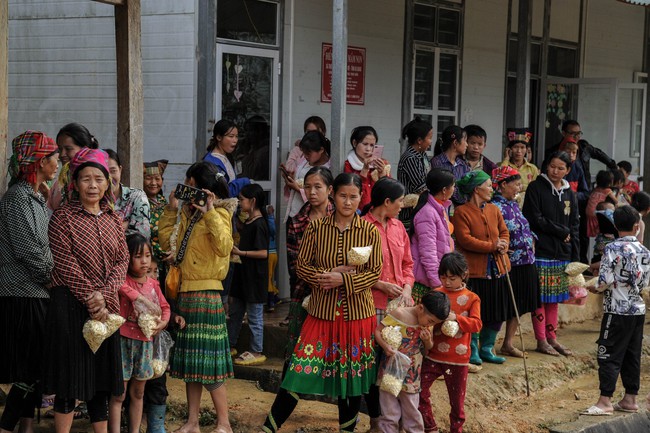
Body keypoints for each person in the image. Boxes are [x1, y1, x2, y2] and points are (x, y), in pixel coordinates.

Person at [259, 173, 383, 433]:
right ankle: (268, 428)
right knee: (297, 370)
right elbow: (301, 267)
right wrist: (326, 277)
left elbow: (374, 272)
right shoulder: (316, 229)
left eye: (354, 197)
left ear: (361, 198)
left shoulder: (370, 230)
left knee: (349, 379)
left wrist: (342, 281)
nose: (348, 202)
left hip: (357, 315)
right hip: (321, 312)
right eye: (342, 196)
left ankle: (346, 430)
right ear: (333, 195)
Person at [44, 147, 129, 433]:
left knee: (102, 380)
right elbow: (64, 262)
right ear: (75, 183)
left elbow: (123, 259)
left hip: (105, 309)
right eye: (85, 179)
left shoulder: (113, 219)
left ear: (108, 182)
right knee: (69, 381)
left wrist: (104, 296)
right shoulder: (63, 218)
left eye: (99, 179)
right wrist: (92, 297)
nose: (93, 185)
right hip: (69, 305)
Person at [158, 161, 236, 433]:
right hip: (186, 293)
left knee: (209, 365)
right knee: (192, 364)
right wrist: (171, 209)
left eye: (191, 186)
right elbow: (166, 242)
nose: (189, 192)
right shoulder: (187, 216)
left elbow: (225, 246)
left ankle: (224, 423)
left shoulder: (221, 214)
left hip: (207, 295)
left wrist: (211, 211)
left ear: (206, 190)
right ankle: (192, 422)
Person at [0, 131, 59, 433]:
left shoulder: (36, 196)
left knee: (35, 367)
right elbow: (29, 249)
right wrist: (53, 279)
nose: (58, 162)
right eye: (53, 157)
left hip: (37, 292)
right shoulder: (18, 199)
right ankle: (7, 426)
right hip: (23, 293)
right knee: (30, 368)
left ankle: (23, 426)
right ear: (39, 162)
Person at [581, 206, 650, 416]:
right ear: (636, 227)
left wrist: (594, 286)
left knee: (608, 353)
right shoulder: (645, 251)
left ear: (615, 226)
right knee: (632, 354)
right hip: (637, 311)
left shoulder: (612, 248)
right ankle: (630, 398)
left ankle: (605, 401)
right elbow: (645, 282)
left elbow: (604, 281)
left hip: (617, 311)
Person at [361, 177, 415, 431]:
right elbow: (355, 269)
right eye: (400, 201)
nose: (402, 206)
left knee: (398, 363)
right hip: (371, 304)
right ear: (386, 202)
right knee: (373, 365)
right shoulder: (361, 228)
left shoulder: (398, 228)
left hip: (401, 308)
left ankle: (398, 421)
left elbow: (408, 264)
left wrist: (406, 287)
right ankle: (376, 420)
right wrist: (380, 284)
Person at [108, 234, 171, 433]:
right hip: (123, 341)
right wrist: (141, 299)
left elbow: (165, 307)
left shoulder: (153, 284)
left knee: (138, 392)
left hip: (145, 344)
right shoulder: (122, 281)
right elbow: (122, 288)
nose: (144, 261)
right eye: (138, 256)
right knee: (119, 394)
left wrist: (163, 322)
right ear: (127, 258)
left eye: (147, 255)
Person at [522, 151, 579, 357]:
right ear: (546, 166)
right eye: (552, 166)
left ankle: (552, 338)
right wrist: (560, 231)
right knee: (540, 298)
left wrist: (576, 258)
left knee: (553, 300)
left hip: (561, 254)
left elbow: (574, 225)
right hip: (541, 251)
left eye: (560, 168)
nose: (555, 171)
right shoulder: (536, 188)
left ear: (568, 170)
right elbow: (534, 218)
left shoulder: (569, 193)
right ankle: (541, 340)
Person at [451, 170, 510, 366]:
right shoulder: (461, 212)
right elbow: (465, 240)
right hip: (476, 270)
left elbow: (504, 231)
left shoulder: (494, 209)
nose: (491, 189)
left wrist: (503, 243)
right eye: (487, 186)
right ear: (477, 189)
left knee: (496, 310)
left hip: (497, 268)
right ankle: (473, 348)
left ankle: (487, 347)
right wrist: (493, 246)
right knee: (475, 310)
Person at [419, 252, 482, 433]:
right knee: (420, 391)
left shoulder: (471, 298)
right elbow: (423, 318)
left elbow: (477, 324)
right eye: (443, 277)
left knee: (457, 402)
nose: (446, 282)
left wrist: (456, 318)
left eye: (451, 278)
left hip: (458, 358)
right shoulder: (435, 294)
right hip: (433, 355)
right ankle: (430, 427)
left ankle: (456, 429)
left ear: (464, 275)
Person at [374, 292, 449, 433]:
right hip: (391, 371)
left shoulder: (427, 325)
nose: (430, 324)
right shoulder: (399, 314)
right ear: (421, 308)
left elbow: (429, 348)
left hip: (412, 373)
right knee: (389, 410)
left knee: (411, 410)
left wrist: (427, 341)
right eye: (431, 321)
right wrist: (385, 346)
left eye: (434, 323)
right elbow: (378, 331)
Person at [283, 166, 335, 356]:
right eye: (307, 187)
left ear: (330, 190)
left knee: (332, 352)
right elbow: (295, 266)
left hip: (338, 297)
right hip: (304, 294)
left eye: (317, 187)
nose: (312, 192)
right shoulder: (297, 223)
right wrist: (329, 274)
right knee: (301, 352)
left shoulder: (344, 218)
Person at [490, 166, 540, 358]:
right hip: (510, 263)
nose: (519, 188)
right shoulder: (495, 207)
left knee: (521, 304)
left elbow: (522, 227)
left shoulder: (514, 204)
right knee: (506, 303)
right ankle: (490, 344)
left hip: (527, 260)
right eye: (516, 184)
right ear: (503, 185)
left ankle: (508, 343)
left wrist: (532, 238)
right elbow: (495, 234)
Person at [228, 184, 270, 366]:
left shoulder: (260, 223)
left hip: (254, 277)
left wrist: (241, 253)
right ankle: (230, 344)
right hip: (243, 275)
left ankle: (256, 349)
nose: (239, 202)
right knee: (236, 311)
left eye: (242, 199)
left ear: (252, 201)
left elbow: (263, 253)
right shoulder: (248, 221)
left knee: (254, 315)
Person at [410, 168, 456, 304]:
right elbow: (428, 252)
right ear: (444, 190)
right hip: (427, 282)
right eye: (453, 186)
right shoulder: (428, 213)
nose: (454, 189)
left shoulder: (438, 208)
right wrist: (437, 283)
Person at [281, 130, 331, 223]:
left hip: (312, 218)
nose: (305, 156)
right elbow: (298, 180)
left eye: (308, 153)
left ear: (321, 150)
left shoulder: (328, 169)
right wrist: (290, 177)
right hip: (294, 212)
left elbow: (324, 196)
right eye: (303, 153)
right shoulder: (305, 161)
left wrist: (298, 189)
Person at [546, 120, 617, 184]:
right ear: (564, 133)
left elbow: (600, 154)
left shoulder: (584, 147)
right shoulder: (554, 151)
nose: (577, 137)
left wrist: (614, 166)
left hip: (582, 191)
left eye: (579, 133)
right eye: (573, 133)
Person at [48, 122, 100, 210]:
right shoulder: (59, 185)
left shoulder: (97, 183)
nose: (62, 154)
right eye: (60, 149)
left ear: (85, 149)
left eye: (68, 149)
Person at [105, 149, 151, 239]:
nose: (109, 177)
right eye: (104, 173)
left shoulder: (136, 196)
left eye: (113, 171)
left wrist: (108, 232)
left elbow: (141, 237)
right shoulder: (93, 201)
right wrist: (122, 227)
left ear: (120, 170)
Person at [397, 117, 433, 229]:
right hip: (410, 213)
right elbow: (420, 187)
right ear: (419, 140)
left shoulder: (422, 155)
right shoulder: (410, 158)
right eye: (430, 138)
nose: (431, 141)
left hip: (422, 208)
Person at [204, 119, 251, 198]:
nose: (235, 140)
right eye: (231, 136)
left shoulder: (228, 157)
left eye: (236, 136)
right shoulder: (210, 162)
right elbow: (221, 193)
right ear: (219, 137)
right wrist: (245, 181)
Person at [344, 126, 388, 210]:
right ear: (354, 143)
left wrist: (383, 175)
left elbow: (390, 192)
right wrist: (364, 170)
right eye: (365, 144)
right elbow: (351, 192)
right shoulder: (348, 165)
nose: (368, 149)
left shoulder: (382, 164)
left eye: (372, 145)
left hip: (377, 212)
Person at [143, 160, 171, 286]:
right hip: (147, 263)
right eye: (148, 178)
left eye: (157, 178)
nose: (153, 183)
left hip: (167, 262)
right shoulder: (140, 203)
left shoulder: (165, 203)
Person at [431, 125, 469, 207]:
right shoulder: (437, 162)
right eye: (465, 141)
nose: (467, 145)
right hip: (441, 208)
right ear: (455, 143)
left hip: (460, 210)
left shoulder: (463, 165)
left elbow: (468, 189)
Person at [500, 128, 539, 208]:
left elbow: (536, 191)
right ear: (509, 149)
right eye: (515, 147)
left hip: (527, 207)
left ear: (526, 150)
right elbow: (499, 179)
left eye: (522, 147)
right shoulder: (503, 166)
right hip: (507, 207)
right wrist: (506, 159)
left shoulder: (532, 169)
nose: (519, 151)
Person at [586, 170, 617, 240]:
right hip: (596, 212)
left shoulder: (595, 189)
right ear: (609, 182)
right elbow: (616, 201)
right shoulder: (608, 190)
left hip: (588, 211)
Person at [559, 137, 590, 202]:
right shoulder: (555, 166)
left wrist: (573, 195)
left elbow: (585, 193)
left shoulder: (578, 169)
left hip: (572, 204)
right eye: (568, 152)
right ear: (561, 151)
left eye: (574, 152)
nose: (571, 155)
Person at [266, 205, 279, 312]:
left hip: (269, 253)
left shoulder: (268, 221)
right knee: (270, 277)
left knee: (268, 278)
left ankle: (271, 302)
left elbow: (272, 230)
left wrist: (270, 216)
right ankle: (274, 297)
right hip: (272, 253)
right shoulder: (270, 220)